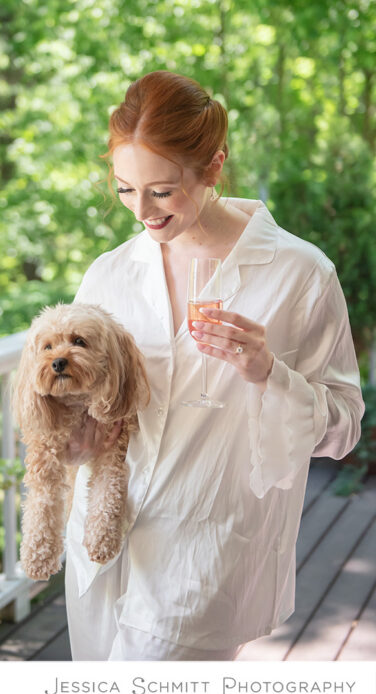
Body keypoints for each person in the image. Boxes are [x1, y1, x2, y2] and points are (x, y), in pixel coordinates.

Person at [64, 70, 365, 661]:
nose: (141, 211)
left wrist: (268, 373)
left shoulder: (301, 274)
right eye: (125, 189)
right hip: (101, 547)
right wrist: (77, 431)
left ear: (213, 166)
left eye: (161, 191)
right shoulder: (109, 274)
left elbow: (344, 429)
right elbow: (80, 407)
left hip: (204, 555)